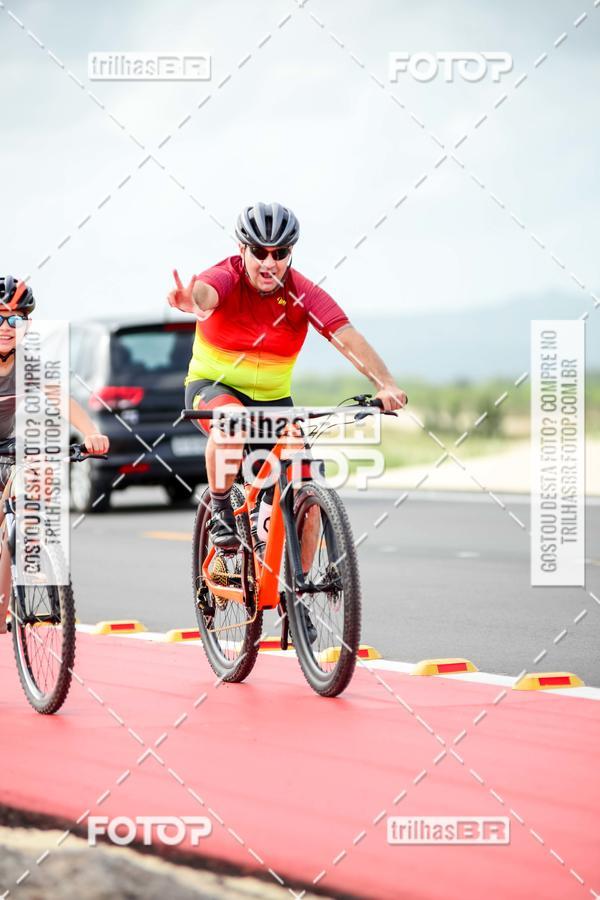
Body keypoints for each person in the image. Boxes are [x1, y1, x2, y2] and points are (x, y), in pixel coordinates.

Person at [168, 201, 408, 549]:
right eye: (259, 252)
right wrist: (194, 299)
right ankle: (221, 509)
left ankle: (300, 584)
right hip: (214, 389)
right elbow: (206, 292)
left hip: (273, 401)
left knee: (307, 485)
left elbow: (346, 337)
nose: (269, 262)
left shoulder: (302, 291)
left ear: (290, 252)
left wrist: (385, 384)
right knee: (233, 420)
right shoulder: (227, 276)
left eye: (279, 253)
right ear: (242, 249)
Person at [0, 276, 110, 634]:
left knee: (20, 504)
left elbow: (60, 397)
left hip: (6, 447)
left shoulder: (27, 361)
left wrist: (90, 433)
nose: (7, 326)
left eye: (15, 318)